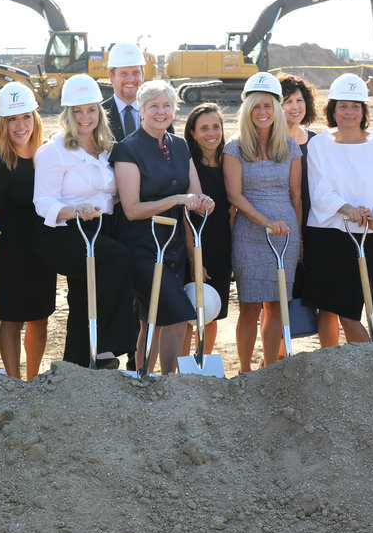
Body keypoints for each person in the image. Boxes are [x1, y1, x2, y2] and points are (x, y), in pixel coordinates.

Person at [33, 74, 137, 369]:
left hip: (99, 229)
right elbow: (43, 202)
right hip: (62, 232)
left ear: (99, 112)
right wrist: (75, 210)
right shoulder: (54, 151)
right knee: (118, 259)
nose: (85, 117)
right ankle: (107, 347)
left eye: (91, 109)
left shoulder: (107, 150)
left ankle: (74, 368)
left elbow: (110, 195)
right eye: (77, 111)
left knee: (82, 299)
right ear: (68, 114)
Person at [111, 80, 214, 374]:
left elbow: (195, 194)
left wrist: (204, 202)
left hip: (174, 249)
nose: (161, 111)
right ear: (141, 110)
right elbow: (131, 210)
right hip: (141, 248)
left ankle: (142, 378)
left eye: (167, 105)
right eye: (154, 106)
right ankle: (168, 385)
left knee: (150, 320)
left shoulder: (179, 145)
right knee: (177, 316)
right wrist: (179, 199)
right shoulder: (127, 149)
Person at [304, 73, 373, 345]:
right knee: (328, 306)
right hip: (328, 233)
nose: (349, 112)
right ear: (332, 110)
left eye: (355, 106)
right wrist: (348, 209)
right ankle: (330, 362)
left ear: (363, 111)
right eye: (343, 106)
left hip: (366, 235)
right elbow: (319, 189)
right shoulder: (318, 145)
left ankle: (368, 366)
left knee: (350, 310)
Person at [222, 74, 301, 371]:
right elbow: (234, 195)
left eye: (268, 105)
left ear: (277, 109)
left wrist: (299, 238)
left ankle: (269, 369)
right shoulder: (235, 148)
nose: (263, 112)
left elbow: (296, 196)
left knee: (278, 305)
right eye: (256, 106)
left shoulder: (291, 148)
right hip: (249, 234)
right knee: (250, 306)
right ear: (247, 110)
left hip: (285, 234)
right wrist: (267, 221)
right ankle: (244, 370)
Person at [0, 82, 55, 379]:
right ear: (2, 124)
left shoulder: (49, 158)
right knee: (12, 319)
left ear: (35, 119)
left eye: (25, 116)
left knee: (39, 318)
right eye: (12, 118)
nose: (20, 124)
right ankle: (14, 383)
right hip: (10, 254)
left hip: (43, 250)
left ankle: (33, 381)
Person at [278, 73, 338, 347]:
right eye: (286, 101)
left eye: (299, 100)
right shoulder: (269, 144)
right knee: (279, 298)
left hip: (316, 228)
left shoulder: (316, 142)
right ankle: (275, 357)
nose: (294, 106)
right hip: (281, 228)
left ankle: (330, 355)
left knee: (326, 297)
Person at [181, 103, 231, 358]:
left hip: (222, 246)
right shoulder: (187, 166)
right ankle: (181, 370)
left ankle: (202, 364)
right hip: (195, 243)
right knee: (189, 313)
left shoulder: (228, 163)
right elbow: (185, 217)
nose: (211, 133)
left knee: (211, 313)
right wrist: (192, 259)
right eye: (204, 128)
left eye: (216, 127)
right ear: (192, 132)